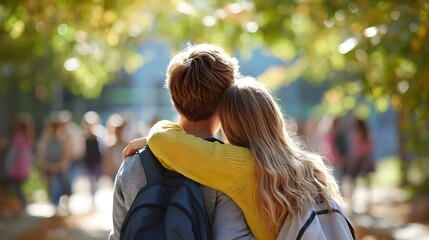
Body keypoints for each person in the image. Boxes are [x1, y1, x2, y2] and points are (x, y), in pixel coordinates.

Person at [124, 77, 347, 239]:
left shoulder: (241, 164)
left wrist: (150, 139)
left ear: (229, 124)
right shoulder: (308, 165)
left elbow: (164, 140)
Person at [108, 43, 253, 240]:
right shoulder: (226, 169)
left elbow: (118, 235)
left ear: (172, 94)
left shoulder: (133, 163)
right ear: (226, 100)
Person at [2, 112, 34, 210]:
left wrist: (9, 167)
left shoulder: (19, 137)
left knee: (16, 187)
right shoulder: (27, 137)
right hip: (23, 167)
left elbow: (14, 154)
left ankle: (22, 204)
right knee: (17, 187)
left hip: (16, 167)